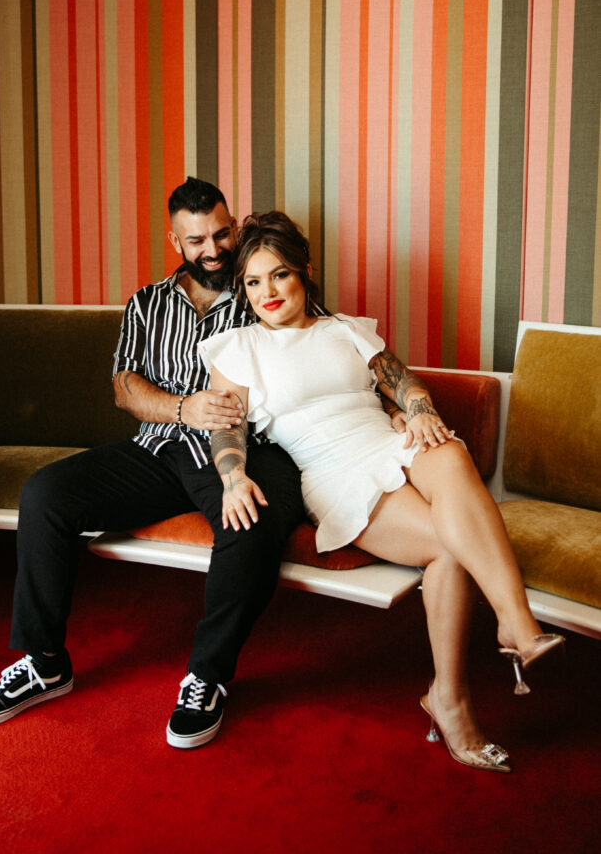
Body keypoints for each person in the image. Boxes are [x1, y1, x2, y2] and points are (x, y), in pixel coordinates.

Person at [0, 180, 318, 749]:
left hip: (243, 449)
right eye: (197, 239)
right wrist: (181, 406)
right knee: (45, 494)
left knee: (251, 520)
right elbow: (124, 388)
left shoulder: (260, 286)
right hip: (158, 448)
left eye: (222, 233)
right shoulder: (146, 304)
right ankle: (44, 661)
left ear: (235, 228)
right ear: (175, 240)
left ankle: (208, 677)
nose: (214, 249)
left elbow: (320, 344)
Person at [199, 211, 565, 773]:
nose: (266, 292)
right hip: (336, 472)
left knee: (449, 449)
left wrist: (415, 414)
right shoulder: (238, 347)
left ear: (305, 272)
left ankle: (513, 624)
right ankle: (455, 694)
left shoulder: (345, 329)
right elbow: (226, 425)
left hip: (387, 442)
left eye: (279, 275)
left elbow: (403, 382)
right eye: (252, 281)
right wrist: (232, 475)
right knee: (449, 547)